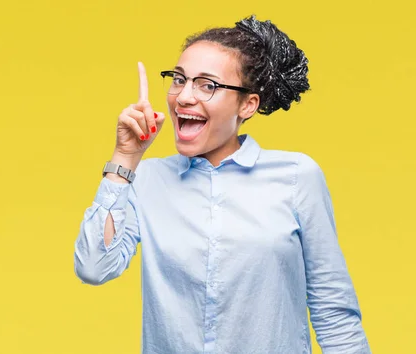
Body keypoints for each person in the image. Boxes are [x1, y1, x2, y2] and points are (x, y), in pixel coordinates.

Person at [74, 15, 371, 354]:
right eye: (179, 80)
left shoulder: (296, 176)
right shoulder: (148, 179)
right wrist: (125, 157)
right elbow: (95, 267)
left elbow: (333, 309)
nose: (183, 97)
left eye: (207, 85)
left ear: (248, 104)